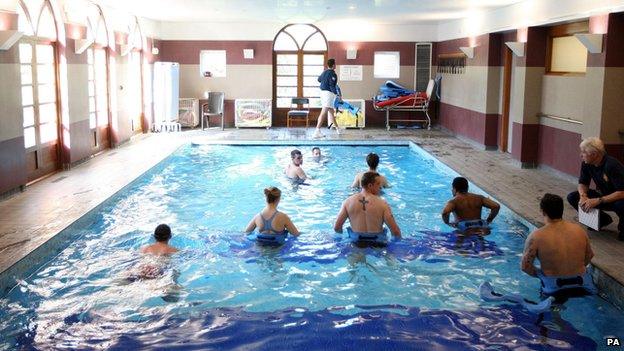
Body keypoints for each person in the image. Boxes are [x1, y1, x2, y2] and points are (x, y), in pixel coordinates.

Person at [522, 193, 597, 298]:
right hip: (582, 284)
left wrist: (542, 275)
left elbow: (525, 267)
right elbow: (589, 256)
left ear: (542, 211)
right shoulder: (579, 230)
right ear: (562, 210)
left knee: (550, 310)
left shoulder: (536, 237)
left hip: (555, 287)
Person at [567, 137, 624, 241]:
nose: (581, 155)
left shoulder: (612, 165)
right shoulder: (586, 163)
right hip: (605, 196)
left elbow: (622, 192)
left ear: (594, 154)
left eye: (584, 152)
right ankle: (602, 220)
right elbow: (583, 183)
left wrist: (598, 200)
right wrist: (583, 196)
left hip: (619, 197)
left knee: (621, 204)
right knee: (572, 197)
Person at [334, 171, 401, 239]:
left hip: (356, 243)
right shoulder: (383, 204)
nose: (380, 187)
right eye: (378, 184)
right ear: (370, 185)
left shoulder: (347, 202)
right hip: (378, 244)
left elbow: (337, 227)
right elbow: (395, 232)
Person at [313, 58, 341, 138]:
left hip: (322, 93)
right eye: (335, 64)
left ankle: (338, 129)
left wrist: (324, 79)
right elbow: (332, 85)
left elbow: (319, 79)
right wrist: (337, 94)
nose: (335, 65)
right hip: (328, 94)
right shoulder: (333, 74)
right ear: (333, 65)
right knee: (324, 111)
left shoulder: (324, 72)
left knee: (331, 112)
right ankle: (317, 131)